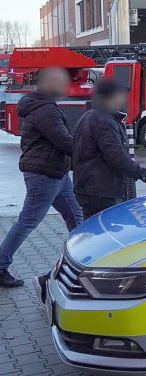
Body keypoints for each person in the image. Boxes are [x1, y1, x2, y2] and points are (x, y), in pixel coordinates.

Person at [0, 68, 83, 288]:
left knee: (76, 217)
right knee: (28, 221)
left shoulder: (43, 106)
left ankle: (86, 260)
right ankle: (0, 267)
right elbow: (63, 141)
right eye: (60, 82)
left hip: (57, 173)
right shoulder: (45, 110)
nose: (65, 87)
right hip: (44, 175)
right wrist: (90, 150)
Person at [73, 79, 146, 219]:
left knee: (95, 232)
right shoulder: (103, 121)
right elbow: (116, 155)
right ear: (110, 97)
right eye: (120, 94)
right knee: (103, 233)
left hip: (92, 189)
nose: (124, 98)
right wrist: (144, 175)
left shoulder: (93, 117)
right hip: (101, 192)